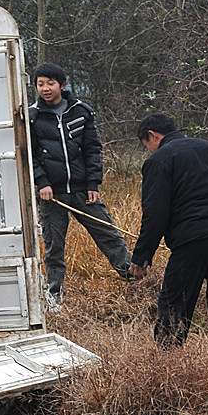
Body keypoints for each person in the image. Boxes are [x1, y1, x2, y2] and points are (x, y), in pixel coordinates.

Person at [129, 113, 208, 354]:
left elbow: (155, 214)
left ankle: (167, 365)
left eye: (147, 146)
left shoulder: (159, 160)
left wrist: (141, 256)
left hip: (192, 241)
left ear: (152, 136)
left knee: (175, 304)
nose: (149, 151)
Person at [29, 62, 132, 304]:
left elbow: (93, 150)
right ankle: (55, 297)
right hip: (51, 195)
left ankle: (135, 279)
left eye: (50, 83)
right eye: (40, 84)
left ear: (62, 85)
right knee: (54, 247)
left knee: (109, 235)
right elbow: (30, 155)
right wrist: (41, 182)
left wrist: (93, 184)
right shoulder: (32, 116)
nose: (45, 88)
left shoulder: (81, 111)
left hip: (83, 191)